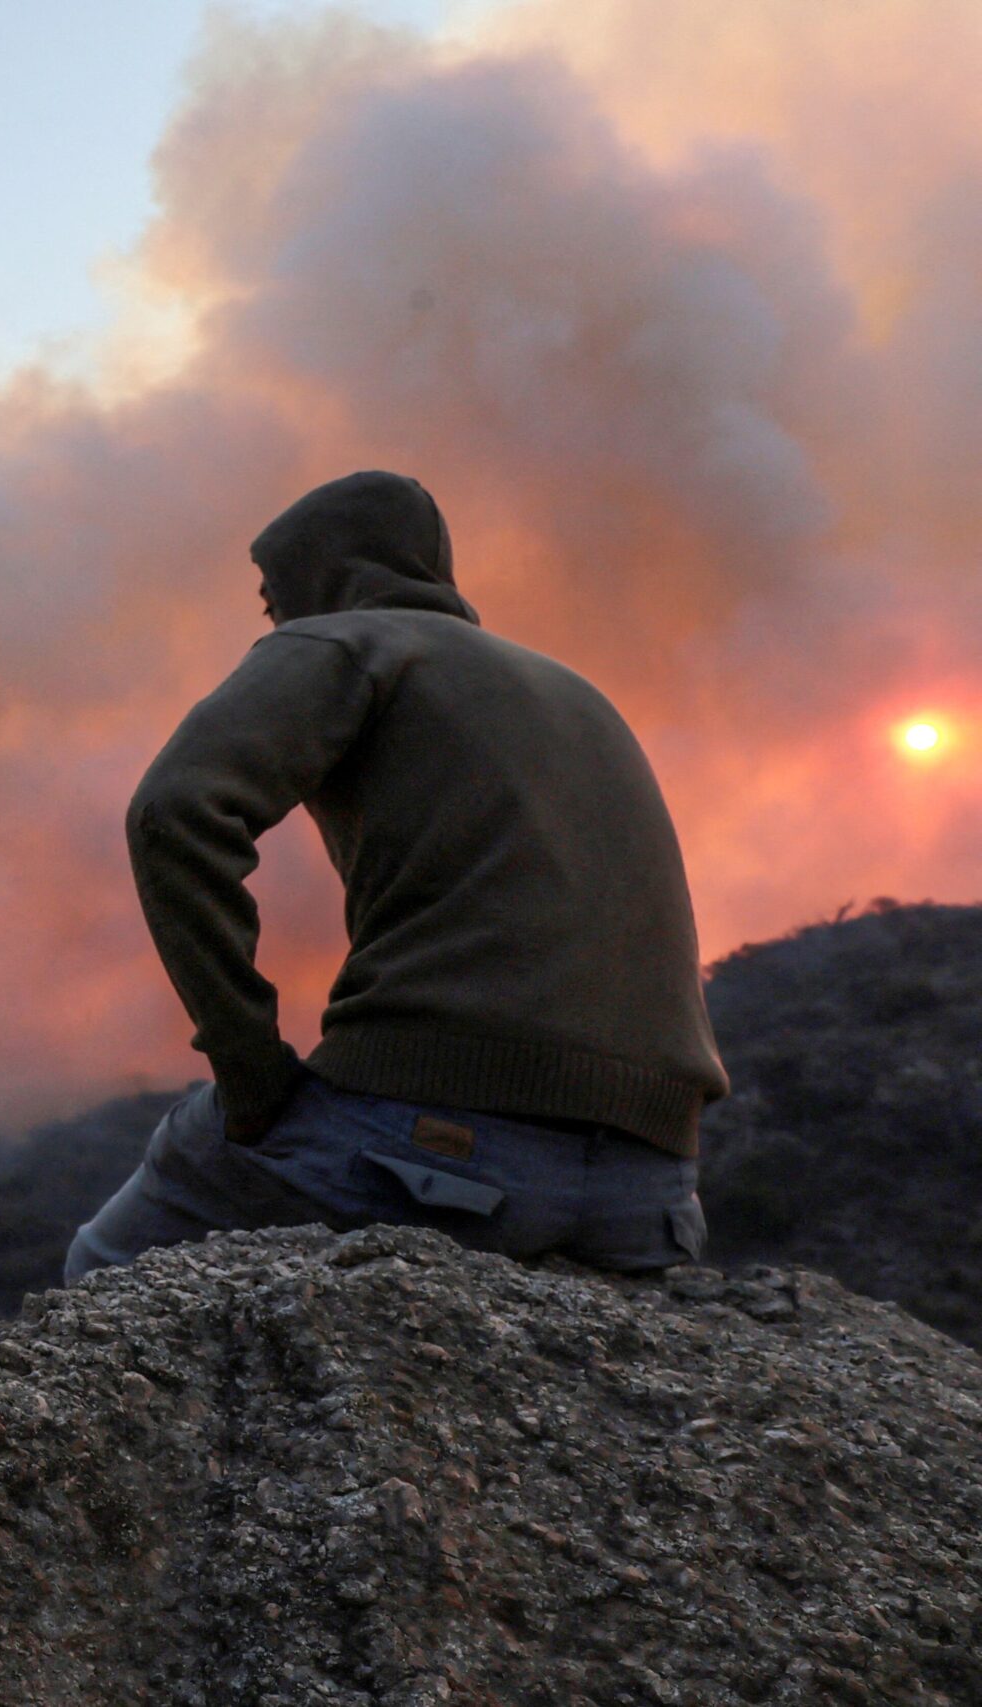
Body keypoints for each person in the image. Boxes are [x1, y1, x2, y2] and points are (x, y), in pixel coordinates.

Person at [68, 471, 728, 1282]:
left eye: (275, 594)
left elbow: (173, 812)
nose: (273, 615)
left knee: (108, 1262)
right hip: (653, 1194)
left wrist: (252, 1069)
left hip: (434, 1150)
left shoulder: (348, 642)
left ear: (327, 575)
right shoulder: (581, 694)